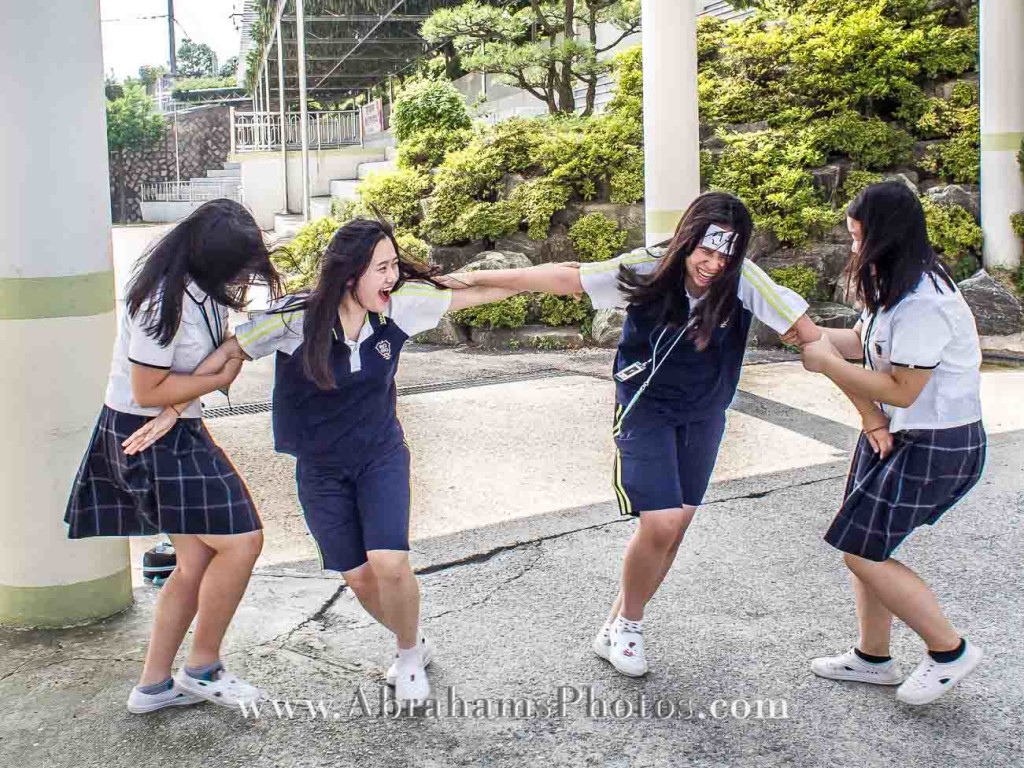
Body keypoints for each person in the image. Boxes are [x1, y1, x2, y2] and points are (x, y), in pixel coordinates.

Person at [125, 218, 544, 704]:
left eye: (394, 265)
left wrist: (556, 280)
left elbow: (477, 290)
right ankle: (414, 639)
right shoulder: (294, 318)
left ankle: (408, 655)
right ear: (350, 275)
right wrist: (172, 407)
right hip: (320, 469)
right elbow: (231, 353)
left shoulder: (401, 306)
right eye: (382, 268)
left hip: (380, 455)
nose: (392, 276)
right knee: (360, 578)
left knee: (389, 562)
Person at [454, 192, 819, 677]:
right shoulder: (650, 265)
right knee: (662, 522)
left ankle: (613, 626)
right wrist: (477, 278)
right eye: (705, 251)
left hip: (705, 413)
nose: (713, 264)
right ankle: (629, 625)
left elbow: (808, 334)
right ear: (687, 240)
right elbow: (568, 278)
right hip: (645, 407)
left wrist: (874, 408)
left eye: (725, 254)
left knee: (676, 528)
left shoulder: (744, 281)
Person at [65, 199, 282, 713]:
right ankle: (202, 668)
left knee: (197, 558)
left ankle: (154, 686)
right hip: (145, 433)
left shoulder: (199, 284)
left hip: (172, 425)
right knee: (243, 540)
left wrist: (190, 392)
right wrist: (219, 377)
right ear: (210, 258)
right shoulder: (161, 299)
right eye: (237, 268)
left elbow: (219, 348)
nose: (242, 278)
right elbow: (146, 389)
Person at [794, 181, 986, 705]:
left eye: (858, 238)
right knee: (867, 545)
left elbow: (900, 387)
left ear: (885, 237)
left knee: (861, 550)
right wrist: (807, 332)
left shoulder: (924, 301)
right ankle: (872, 656)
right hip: (897, 433)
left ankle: (949, 650)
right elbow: (861, 342)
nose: (854, 248)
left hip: (936, 442)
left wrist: (829, 364)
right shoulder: (898, 283)